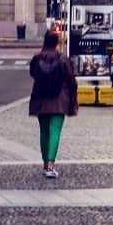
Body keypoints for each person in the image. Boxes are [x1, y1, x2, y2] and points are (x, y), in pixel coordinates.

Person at [28, 30, 78, 178]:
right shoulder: (63, 59)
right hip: (59, 99)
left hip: (40, 98)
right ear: (57, 43)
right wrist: (73, 97)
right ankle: (50, 165)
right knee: (55, 130)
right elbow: (70, 79)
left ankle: (45, 164)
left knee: (44, 131)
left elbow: (33, 74)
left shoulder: (36, 58)